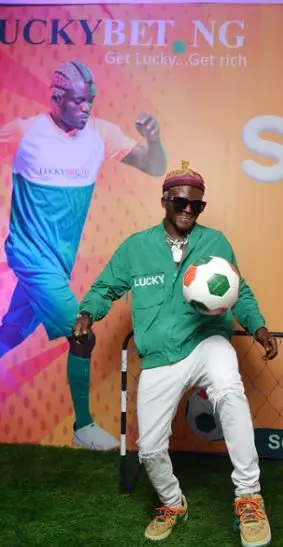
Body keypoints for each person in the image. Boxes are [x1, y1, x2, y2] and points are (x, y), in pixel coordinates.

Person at [72, 161, 278, 547]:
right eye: (180, 202)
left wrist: (259, 327)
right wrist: (87, 314)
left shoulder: (215, 242)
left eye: (196, 205)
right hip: (160, 355)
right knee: (150, 448)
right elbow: (104, 289)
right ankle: (172, 502)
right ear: (165, 200)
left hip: (206, 341)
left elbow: (239, 291)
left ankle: (249, 496)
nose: (188, 210)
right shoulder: (136, 247)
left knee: (229, 389)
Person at [0, 60, 167, 450]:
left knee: (11, 333)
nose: (86, 107)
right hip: (31, 258)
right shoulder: (25, 131)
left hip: (58, 264)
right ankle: (84, 426)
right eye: (77, 100)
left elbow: (154, 167)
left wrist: (154, 140)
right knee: (82, 336)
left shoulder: (100, 135)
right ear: (56, 98)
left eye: (90, 99)